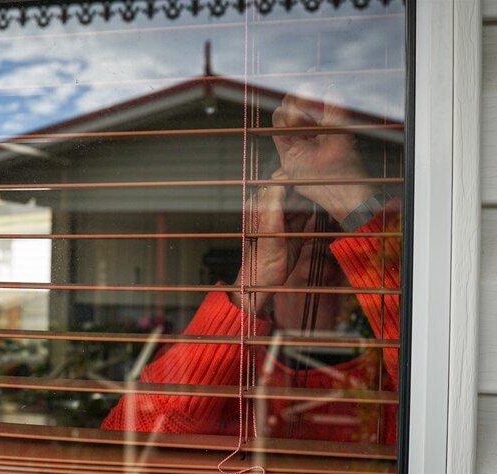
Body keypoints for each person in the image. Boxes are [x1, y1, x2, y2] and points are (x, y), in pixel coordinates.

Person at [101, 90, 402, 444]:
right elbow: (129, 449)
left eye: (334, 214)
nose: (317, 227)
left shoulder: (394, 371)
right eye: (300, 206)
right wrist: (254, 278)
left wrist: (351, 201)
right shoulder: (233, 368)